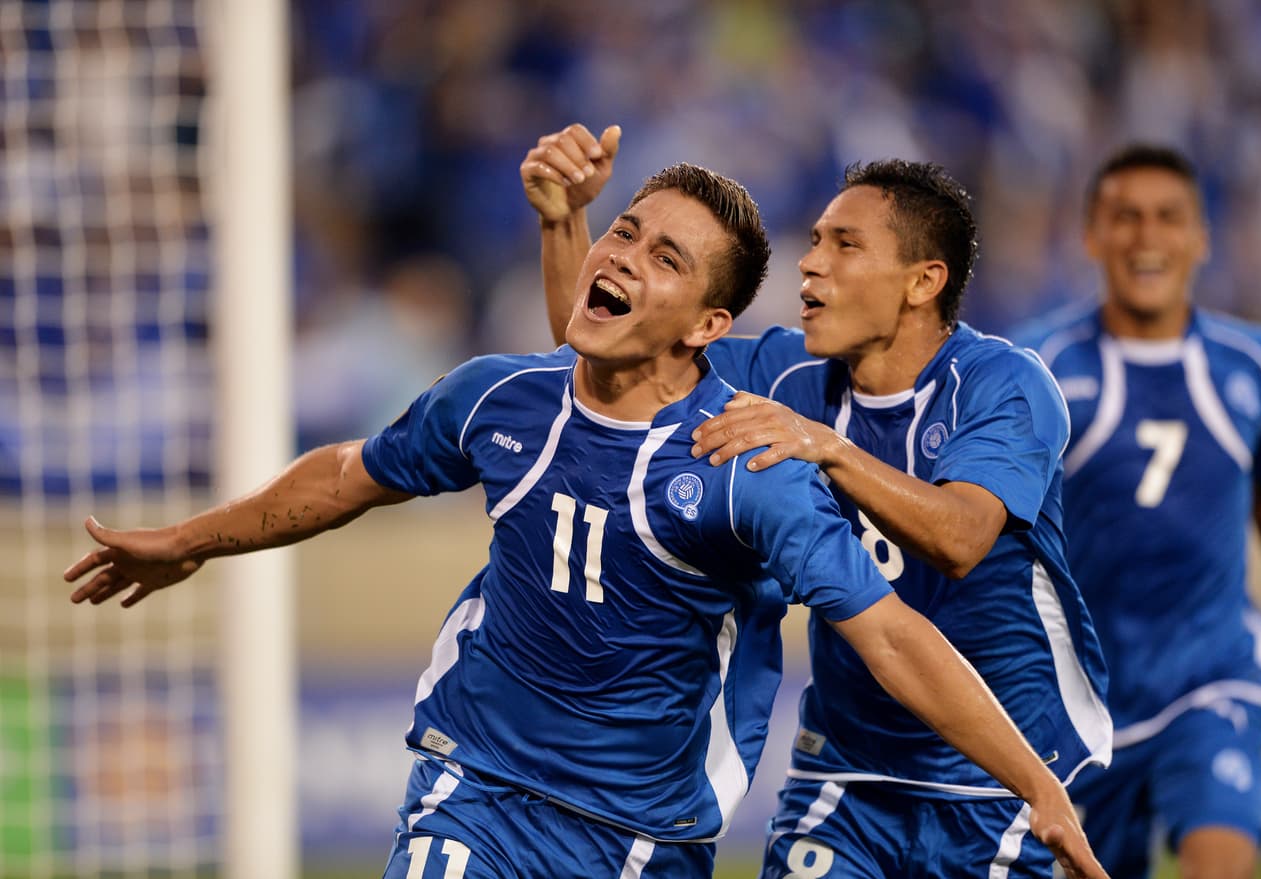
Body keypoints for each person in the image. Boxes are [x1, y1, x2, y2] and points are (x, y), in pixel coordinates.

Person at [64, 163, 1106, 879]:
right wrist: (190, 538)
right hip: (477, 783)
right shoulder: (508, 397)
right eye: (625, 231)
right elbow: (356, 470)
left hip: (649, 832)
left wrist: (1034, 785)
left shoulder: (782, 449)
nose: (811, 263)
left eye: (841, 243)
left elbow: (915, 596)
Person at [525, 124, 1112, 878]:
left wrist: (827, 446)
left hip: (1008, 773)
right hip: (846, 772)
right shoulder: (787, 376)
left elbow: (962, 536)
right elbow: (616, 348)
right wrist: (562, 219)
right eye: (814, 242)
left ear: (922, 281)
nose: (809, 264)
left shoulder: (1004, 386)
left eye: (844, 245)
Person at [1012, 144, 1261, 879]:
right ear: (1093, 236)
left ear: (1201, 238)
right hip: (1077, 708)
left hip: (1213, 674)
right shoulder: (1035, 367)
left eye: (1168, 218)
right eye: (1125, 217)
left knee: (1220, 857)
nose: (1146, 236)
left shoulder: (1258, 365)